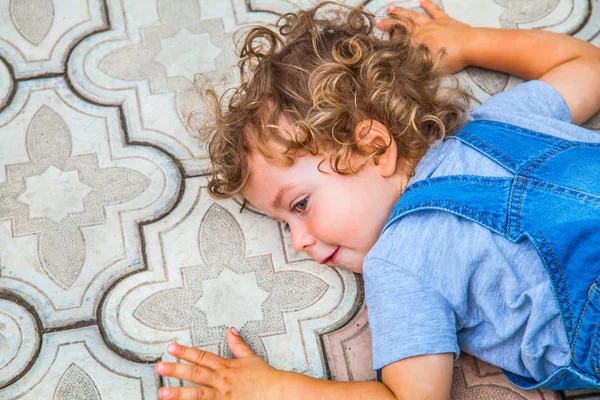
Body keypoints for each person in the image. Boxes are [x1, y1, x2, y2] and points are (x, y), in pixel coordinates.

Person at [153, 0, 600, 398]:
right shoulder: (503, 116)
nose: (298, 242)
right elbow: (588, 63)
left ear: (374, 148)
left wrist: (276, 388)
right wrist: (470, 42)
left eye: (300, 205)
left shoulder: (400, 259)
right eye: (285, 223)